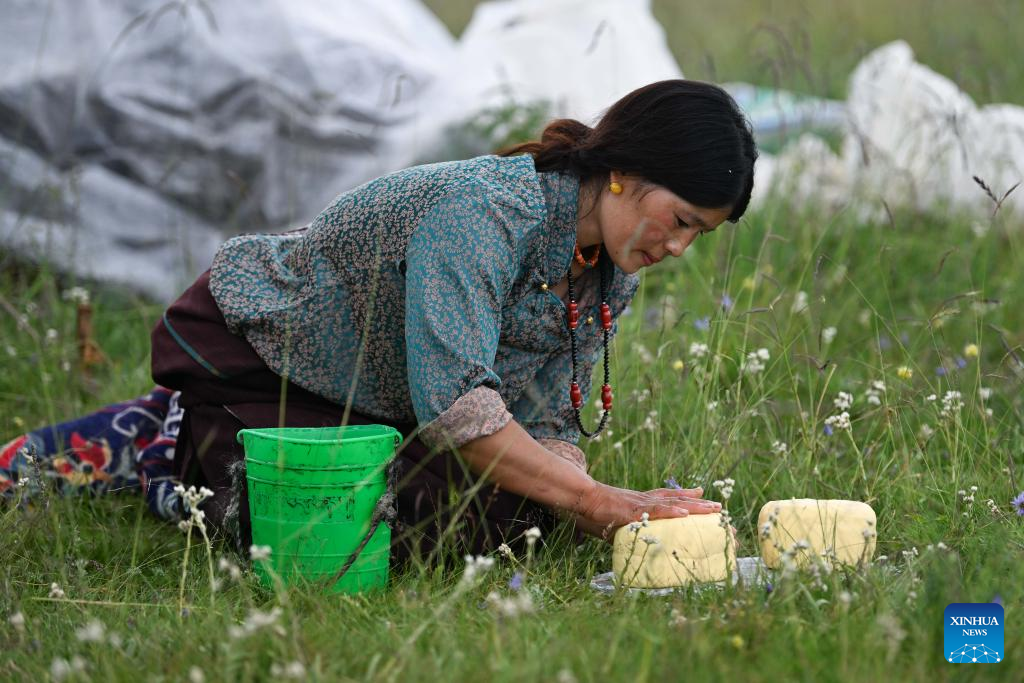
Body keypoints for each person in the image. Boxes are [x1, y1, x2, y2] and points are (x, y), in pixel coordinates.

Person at [1, 79, 757, 564]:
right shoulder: (485, 212)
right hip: (264, 355)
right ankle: (160, 441)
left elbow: (546, 414)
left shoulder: (606, 269)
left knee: (510, 521)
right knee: (336, 542)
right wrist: (596, 499)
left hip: (379, 400)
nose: (679, 247)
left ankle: (204, 450)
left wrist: (588, 501)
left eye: (701, 235)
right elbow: (459, 406)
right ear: (626, 168)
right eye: (682, 219)